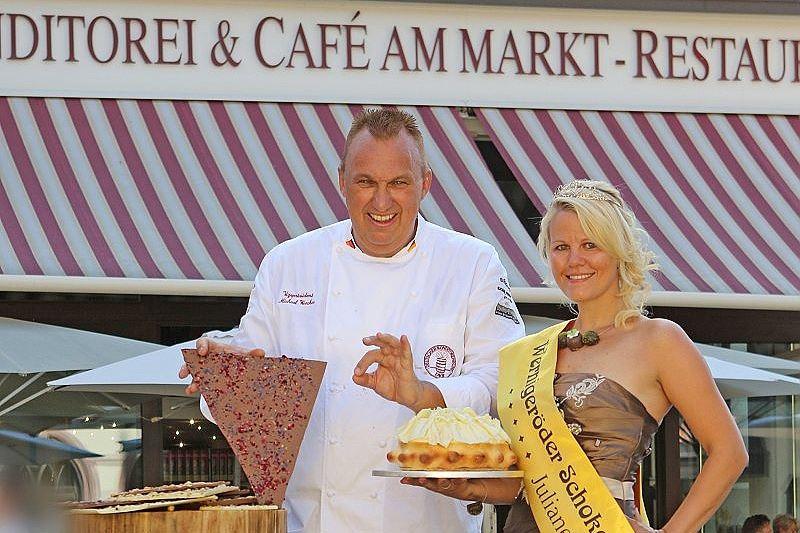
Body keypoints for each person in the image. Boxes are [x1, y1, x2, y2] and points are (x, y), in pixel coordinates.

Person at [179, 108, 525, 533]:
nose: (382, 202)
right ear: (342, 181)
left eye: (398, 182)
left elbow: (503, 388)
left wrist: (422, 391)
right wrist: (222, 377)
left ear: (425, 183)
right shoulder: (289, 264)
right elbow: (251, 396)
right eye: (366, 182)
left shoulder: (473, 264)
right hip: (313, 524)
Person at [402, 179, 748, 532]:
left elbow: (729, 452)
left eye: (590, 244)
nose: (574, 260)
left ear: (619, 250)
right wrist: (467, 486)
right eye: (561, 246)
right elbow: (531, 483)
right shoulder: (532, 350)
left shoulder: (659, 340)